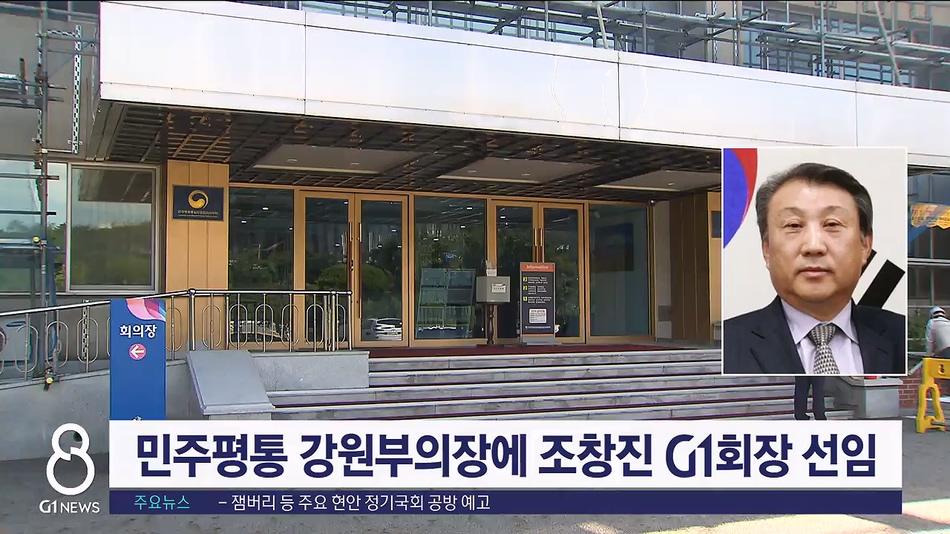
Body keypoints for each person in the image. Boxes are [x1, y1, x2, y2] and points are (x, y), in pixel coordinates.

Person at [722, 162, 906, 376]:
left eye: (832, 224)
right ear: (767, 250)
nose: (813, 246)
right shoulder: (729, 345)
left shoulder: (900, 336)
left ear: (865, 245)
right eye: (793, 225)